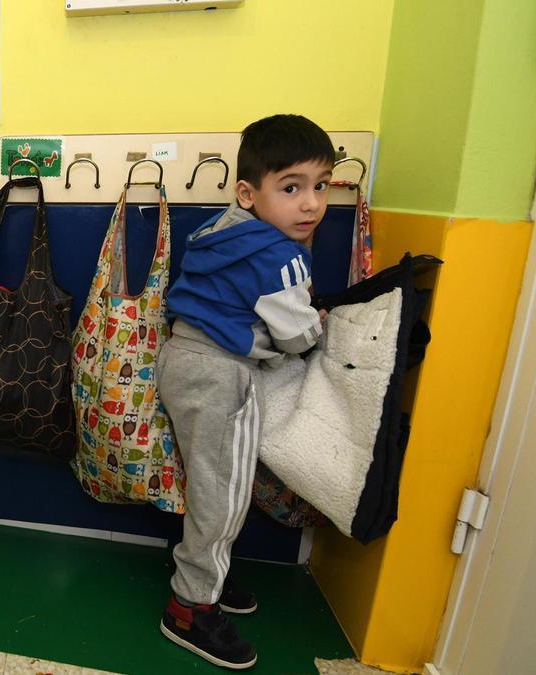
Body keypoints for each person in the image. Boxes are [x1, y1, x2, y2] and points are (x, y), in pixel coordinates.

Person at [157, 114, 334, 669]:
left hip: (181, 358)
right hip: (220, 372)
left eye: (321, 186)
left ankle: (204, 575)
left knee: (209, 482)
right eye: (291, 188)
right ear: (248, 192)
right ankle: (190, 606)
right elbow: (299, 333)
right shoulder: (278, 256)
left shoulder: (220, 230)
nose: (310, 205)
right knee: (225, 493)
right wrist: (320, 322)